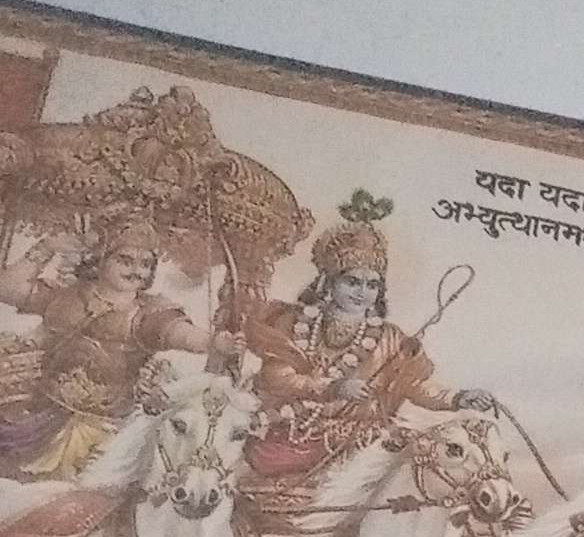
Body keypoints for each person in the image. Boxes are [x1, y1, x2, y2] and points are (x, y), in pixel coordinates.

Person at [238, 189, 493, 491]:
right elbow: (276, 377)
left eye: (372, 285)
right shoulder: (292, 322)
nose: (362, 292)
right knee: (262, 458)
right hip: (290, 434)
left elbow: (415, 384)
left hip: (359, 443)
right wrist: (334, 388)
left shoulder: (390, 339)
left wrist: (457, 398)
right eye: (352, 282)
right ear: (328, 283)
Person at [0, 208, 213, 477]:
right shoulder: (67, 297)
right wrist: (47, 247)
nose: (136, 271)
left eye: (145, 264)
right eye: (125, 260)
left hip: (109, 432)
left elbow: (180, 334)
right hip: (41, 420)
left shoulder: (148, 313)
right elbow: (7, 289)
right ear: (101, 259)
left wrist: (214, 342)